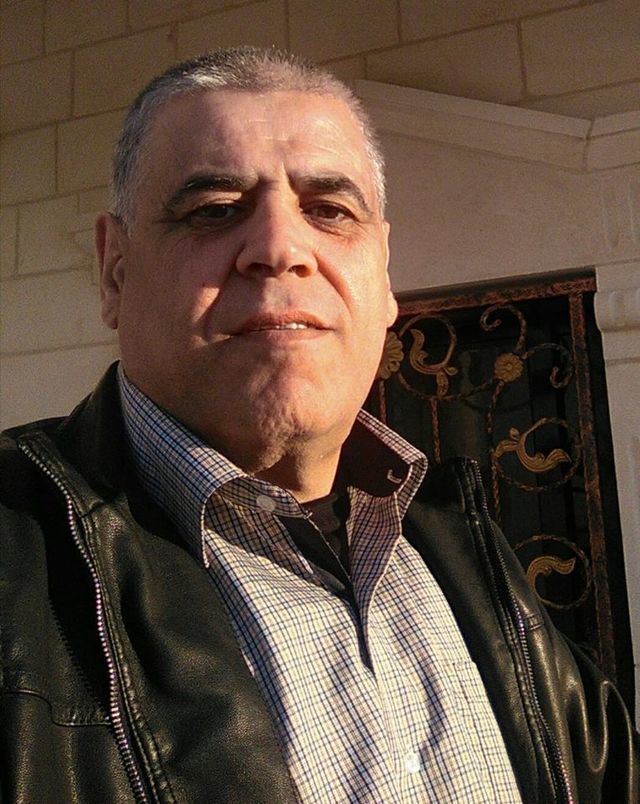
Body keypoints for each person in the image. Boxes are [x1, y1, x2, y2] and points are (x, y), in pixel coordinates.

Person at [0, 46, 637, 804]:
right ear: (114, 271)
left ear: (384, 275)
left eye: (330, 211)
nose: (280, 249)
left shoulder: (466, 545)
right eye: (214, 209)